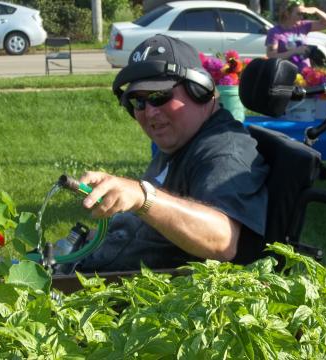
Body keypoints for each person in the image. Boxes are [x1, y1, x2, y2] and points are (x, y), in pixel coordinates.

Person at [76, 34, 269, 272]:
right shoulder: (183, 140)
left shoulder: (224, 151)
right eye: (138, 102)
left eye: (159, 96)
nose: (149, 112)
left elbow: (223, 239)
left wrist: (143, 197)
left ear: (199, 90)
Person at [265, 0, 326, 71]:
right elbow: (271, 56)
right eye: (299, 14)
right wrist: (295, 51)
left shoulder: (303, 26)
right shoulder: (275, 32)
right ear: (287, 13)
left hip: (305, 73)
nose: (302, 17)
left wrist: (316, 10)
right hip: (285, 74)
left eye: (302, 14)